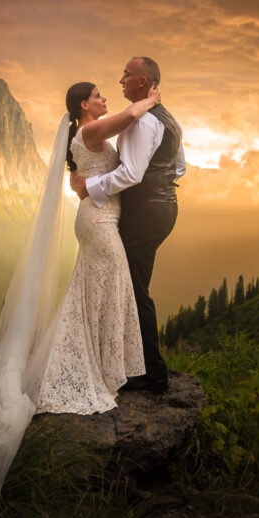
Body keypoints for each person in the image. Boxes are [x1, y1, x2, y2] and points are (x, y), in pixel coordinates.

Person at [0, 80, 161, 518]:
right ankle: (105, 367)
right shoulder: (91, 130)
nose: (105, 99)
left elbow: (91, 166)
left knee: (95, 290)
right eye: (99, 95)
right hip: (100, 221)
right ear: (84, 105)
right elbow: (128, 119)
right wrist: (150, 99)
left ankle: (105, 362)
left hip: (99, 216)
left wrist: (82, 180)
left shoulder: (84, 135)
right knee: (111, 283)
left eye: (106, 94)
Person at [70, 56, 185, 393]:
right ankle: (134, 366)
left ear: (143, 82)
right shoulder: (168, 119)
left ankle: (150, 374)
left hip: (144, 212)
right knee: (134, 286)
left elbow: (132, 173)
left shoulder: (141, 121)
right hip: (165, 208)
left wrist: (89, 187)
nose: (120, 80)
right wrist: (159, 189)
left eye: (127, 75)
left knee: (135, 290)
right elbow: (179, 167)